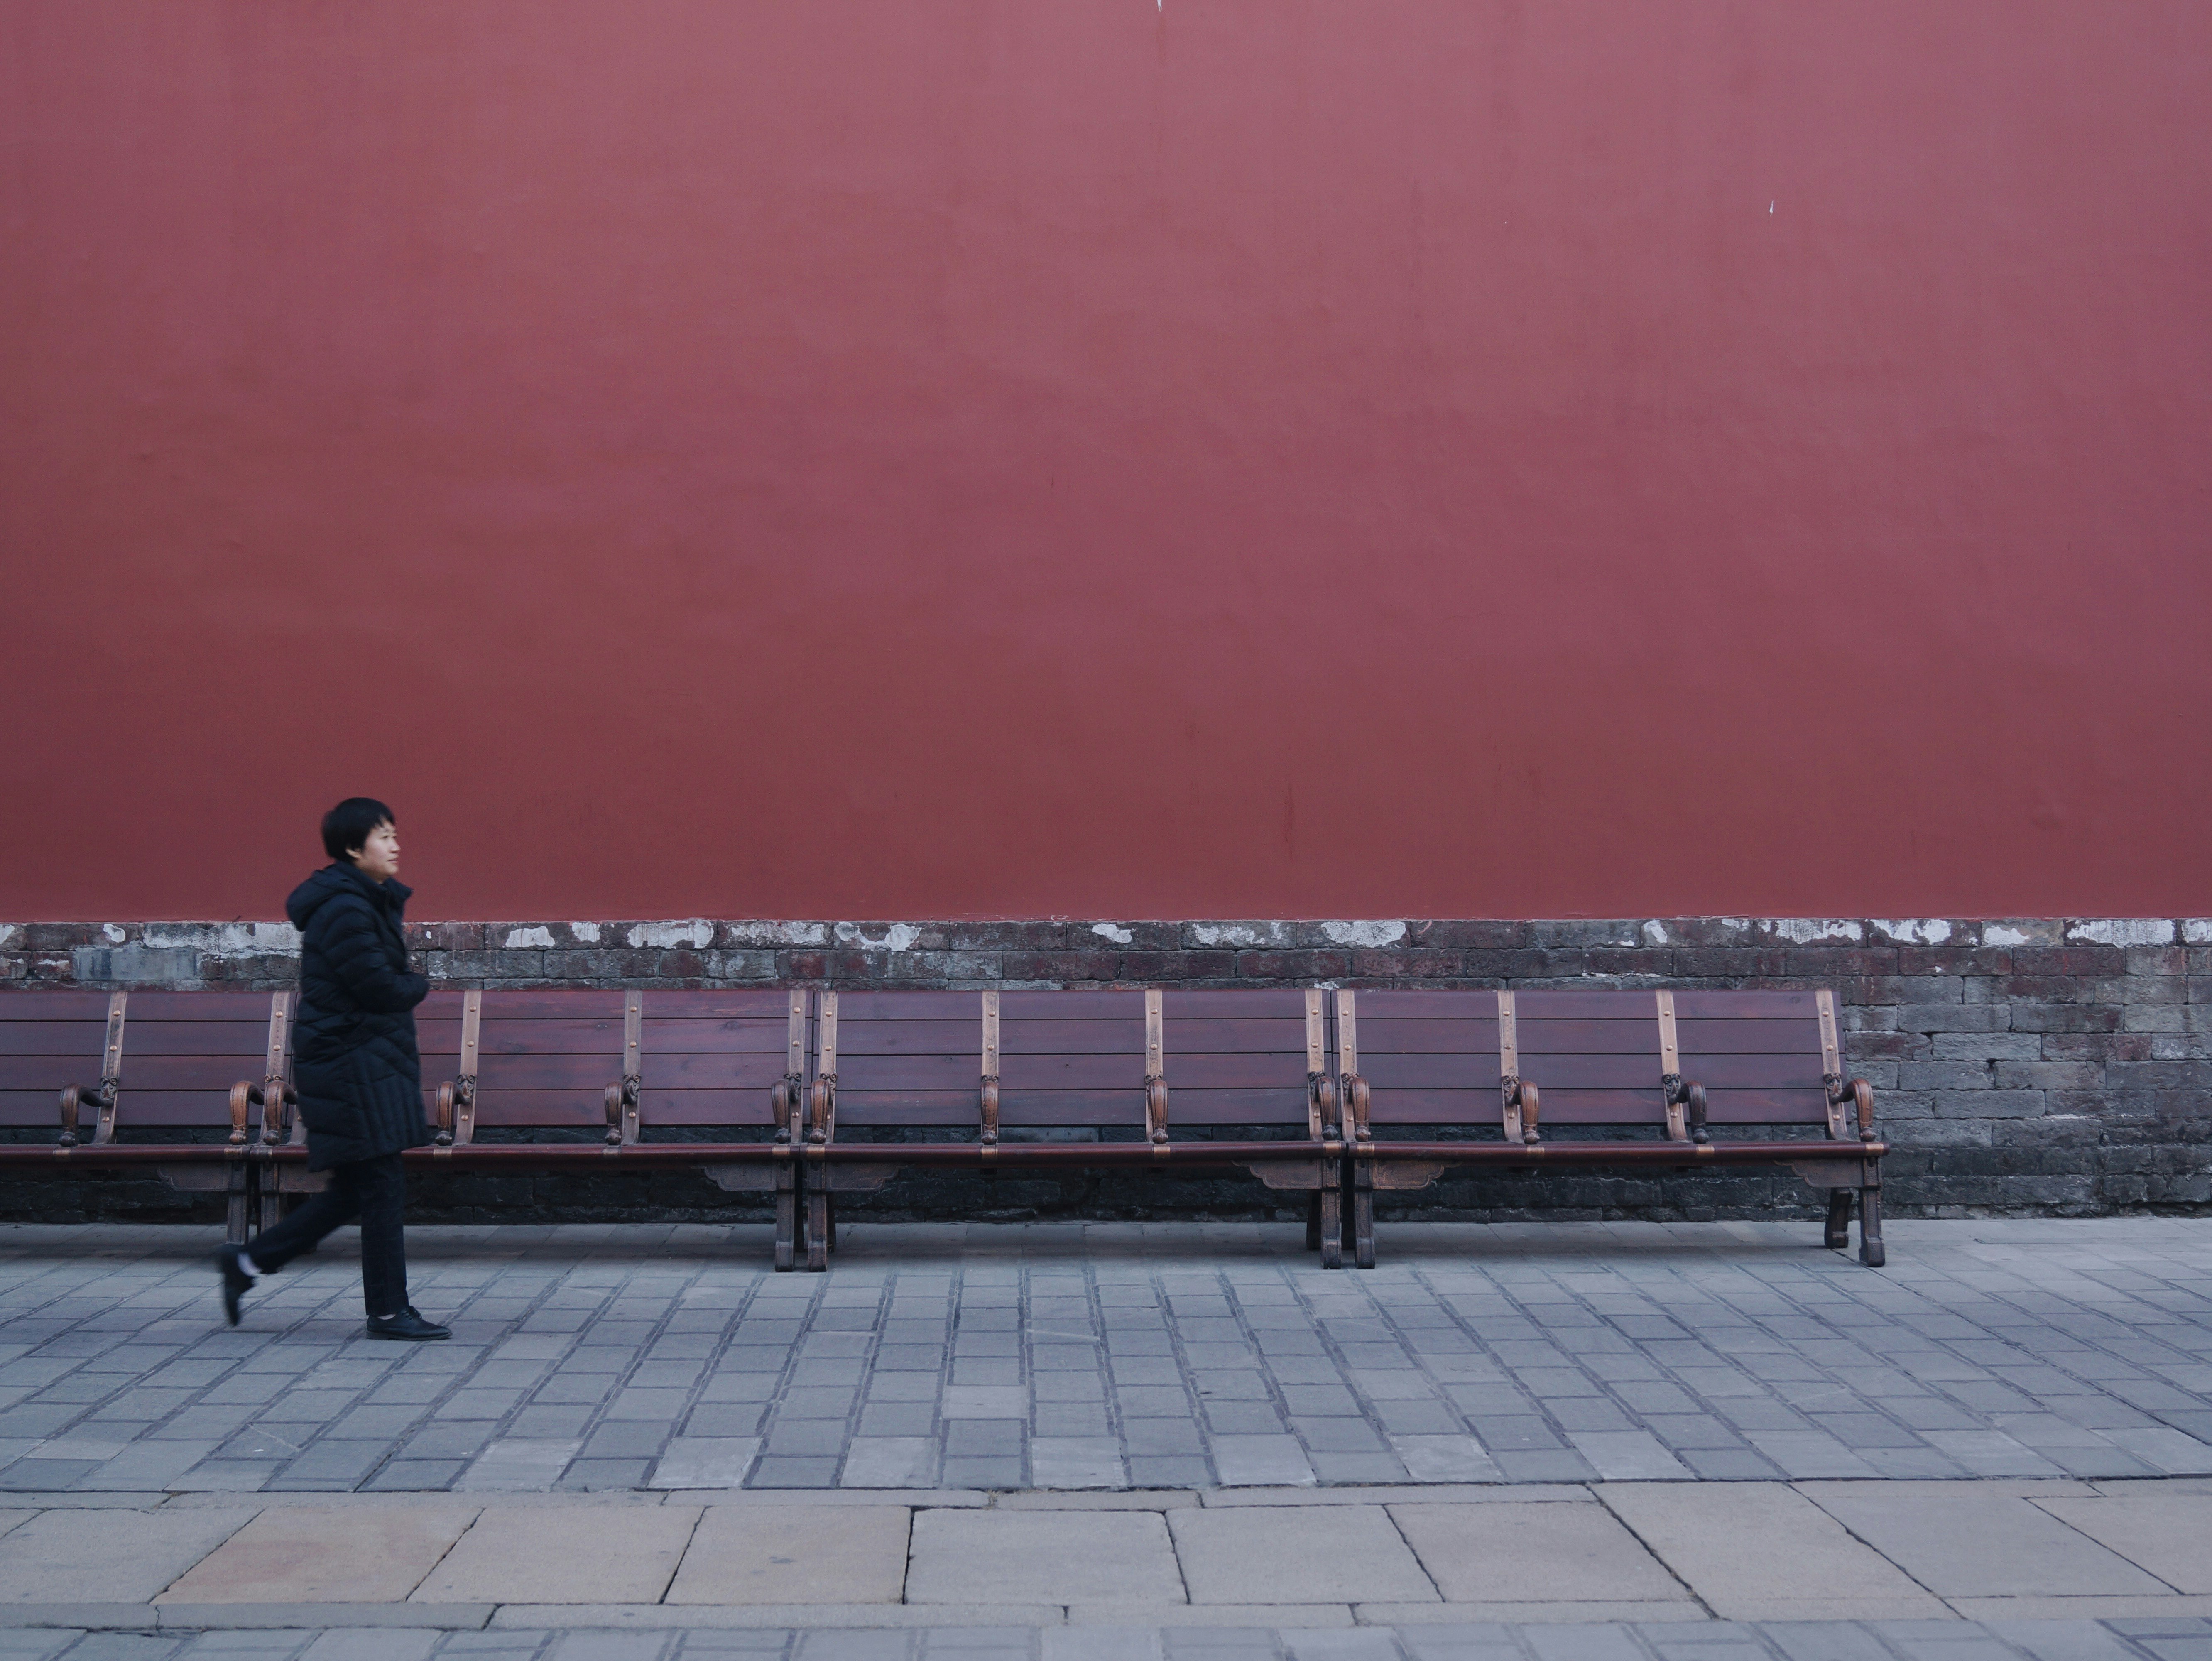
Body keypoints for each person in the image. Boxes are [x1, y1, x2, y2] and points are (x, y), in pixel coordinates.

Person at [215, 799, 449, 1339]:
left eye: (395, 834)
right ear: (352, 848)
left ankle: (246, 1263)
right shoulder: (347, 907)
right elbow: (381, 987)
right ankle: (389, 1312)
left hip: (359, 1062)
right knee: (381, 1184)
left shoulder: (362, 901)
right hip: (350, 1066)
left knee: (356, 1189)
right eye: (384, 836)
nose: (395, 846)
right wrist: (420, 982)